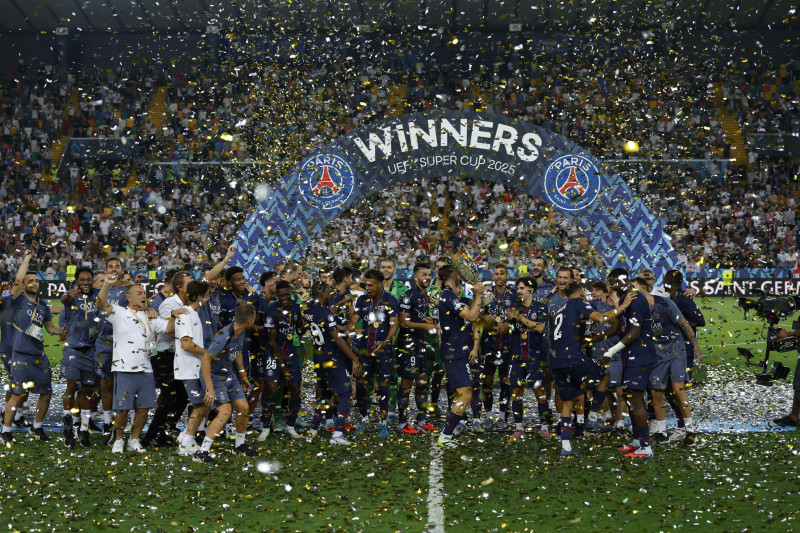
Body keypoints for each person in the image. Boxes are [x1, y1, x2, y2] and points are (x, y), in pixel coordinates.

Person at [96, 273, 180, 454]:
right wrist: (107, 286)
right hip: (124, 368)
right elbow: (101, 305)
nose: (143, 296)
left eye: (144, 293)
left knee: (143, 408)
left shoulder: (151, 316)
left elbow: (168, 328)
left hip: (146, 369)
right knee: (122, 408)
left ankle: (134, 439)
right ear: (128, 297)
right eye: (139, 293)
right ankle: (119, 440)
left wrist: (174, 314)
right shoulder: (119, 313)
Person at [549, 282, 627, 456]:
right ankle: (592, 414)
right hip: (572, 358)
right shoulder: (578, 302)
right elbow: (601, 319)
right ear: (578, 292)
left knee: (568, 401)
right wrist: (623, 306)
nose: (586, 294)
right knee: (604, 376)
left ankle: (566, 446)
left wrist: (586, 341)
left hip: (556, 360)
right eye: (584, 291)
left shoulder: (559, 311)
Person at [1, 250, 66, 445]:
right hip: (20, 354)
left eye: (36, 281)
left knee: (46, 392)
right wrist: (27, 258)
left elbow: (50, 328)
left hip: (39, 355)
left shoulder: (44, 306)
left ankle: (37, 428)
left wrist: (61, 331)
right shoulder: (16, 300)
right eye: (30, 281)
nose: (34, 283)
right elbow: (18, 280)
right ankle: (6, 431)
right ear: (22, 286)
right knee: (18, 393)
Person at [637, 276, 702, 447]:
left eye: (634, 291)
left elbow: (684, 324)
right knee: (656, 393)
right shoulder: (637, 310)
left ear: (644, 290)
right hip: (657, 356)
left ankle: (690, 431)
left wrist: (696, 348)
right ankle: (662, 432)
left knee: (677, 389)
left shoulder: (665, 303)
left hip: (675, 352)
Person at [603, 276, 658, 459]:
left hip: (640, 355)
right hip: (632, 355)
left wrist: (610, 351)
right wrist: (596, 338)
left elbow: (634, 333)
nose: (609, 289)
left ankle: (645, 446)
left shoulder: (634, 298)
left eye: (610, 285)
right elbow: (619, 327)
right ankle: (637, 440)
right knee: (628, 397)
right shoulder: (627, 300)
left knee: (635, 399)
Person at [196, 304, 259, 462]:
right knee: (225, 411)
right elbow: (205, 359)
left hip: (228, 374)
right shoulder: (224, 335)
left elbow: (236, 351)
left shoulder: (241, 331)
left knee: (243, 407)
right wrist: (210, 389)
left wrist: (242, 374)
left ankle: (239, 445)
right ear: (250, 320)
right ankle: (201, 452)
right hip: (214, 376)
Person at [303, 281, 362, 445]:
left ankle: (312, 431)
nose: (330, 295)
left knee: (326, 393)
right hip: (331, 357)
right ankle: (337, 435)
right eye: (328, 292)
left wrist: (340, 305)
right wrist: (354, 358)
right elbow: (337, 339)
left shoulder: (309, 309)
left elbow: (325, 314)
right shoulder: (325, 313)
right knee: (346, 392)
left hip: (318, 357)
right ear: (322, 294)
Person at [435, 264, 486, 448]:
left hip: (456, 350)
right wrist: (479, 294)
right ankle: (446, 435)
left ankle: (448, 433)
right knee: (465, 394)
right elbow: (472, 317)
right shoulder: (448, 296)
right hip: (454, 351)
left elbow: (474, 314)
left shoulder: (449, 296)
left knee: (465, 393)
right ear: (454, 275)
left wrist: (478, 297)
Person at [348, 268, 399, 437]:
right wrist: (355, 328)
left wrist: (386, 341)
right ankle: (364, 419)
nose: (367, 288)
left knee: (383, 387)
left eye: (371, 285)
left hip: (383, 351)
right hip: (364, 350)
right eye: (366, 285)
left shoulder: (391, 300)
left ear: (379, 284)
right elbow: (354, 321)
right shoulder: (362, 300)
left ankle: (383, 423)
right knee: (361, 384)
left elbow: (394, 324)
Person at [59, 267, 100, 448]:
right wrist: (72, 294)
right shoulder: (70, 298)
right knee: (70, 387)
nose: (86, 282)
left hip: (91, 350)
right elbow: (64, 299)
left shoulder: (96, 297)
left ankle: (83, 429)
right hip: (73, 350)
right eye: (82, 279)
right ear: (77, 282)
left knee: (87, 390)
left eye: (88, 279)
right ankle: (68, 427)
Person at [506, 276, 550, 441]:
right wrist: (506, 321)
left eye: (522, 288)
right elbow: (503, 330)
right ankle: (518, 428)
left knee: (539, 392)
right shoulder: (513, 308)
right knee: (516, 392)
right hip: (516, 356)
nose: (519, 291)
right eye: (518, 288)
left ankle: (544, 427)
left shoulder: (541, 307)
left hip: (534, 356)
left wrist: (519, 318)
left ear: (531, 290)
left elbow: (539, 327)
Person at [397, 262, 438, 434]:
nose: (427, 278)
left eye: (429, 274)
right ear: (415, 277)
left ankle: (422, 420)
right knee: (407, 384)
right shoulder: (408, 296)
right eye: (423, 275)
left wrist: (427, 322)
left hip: (421, 345)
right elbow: (403, 322)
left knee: (422, 382)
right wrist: (425, 326)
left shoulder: (425, 297)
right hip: (408, 345)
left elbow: (419, 319)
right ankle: (402, 423)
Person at [174, 280, 212, 457]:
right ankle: (186, 442)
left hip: (195, 368)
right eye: (207, 295)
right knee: (199, 405)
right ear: (199, 297)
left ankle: (186, 437)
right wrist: (207, 354)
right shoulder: (186, 315)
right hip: (189, 368)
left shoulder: (193, 314)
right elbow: (186, 345)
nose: (209, 298)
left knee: (204, 404)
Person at [265, 280, 307, 438]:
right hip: (274, 353)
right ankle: (268, 425)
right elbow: (272, 341)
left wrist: (304, 326)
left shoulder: (296, 307)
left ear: (291, 293)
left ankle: (291, 425)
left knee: (295, 389)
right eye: (280, 295)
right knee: (273, 389)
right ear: (276, 295)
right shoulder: (271, 312)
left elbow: (300, 330)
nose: (283, 298)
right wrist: (282, 367)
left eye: (286, 294)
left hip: (291, 351)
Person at [480, 263, 517, 430]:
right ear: (493, 276)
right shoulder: (486, 294)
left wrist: (509, 323)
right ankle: (488, 416)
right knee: (487, 381)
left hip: (508, 344)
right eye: (497, 274)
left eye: (503, 273)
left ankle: (502, 416)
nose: (500, 276)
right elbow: (476, 313)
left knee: (505, 381)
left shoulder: (515, 295)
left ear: (507, 276)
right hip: (488, 344)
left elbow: (520, 316)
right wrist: (484, 314)